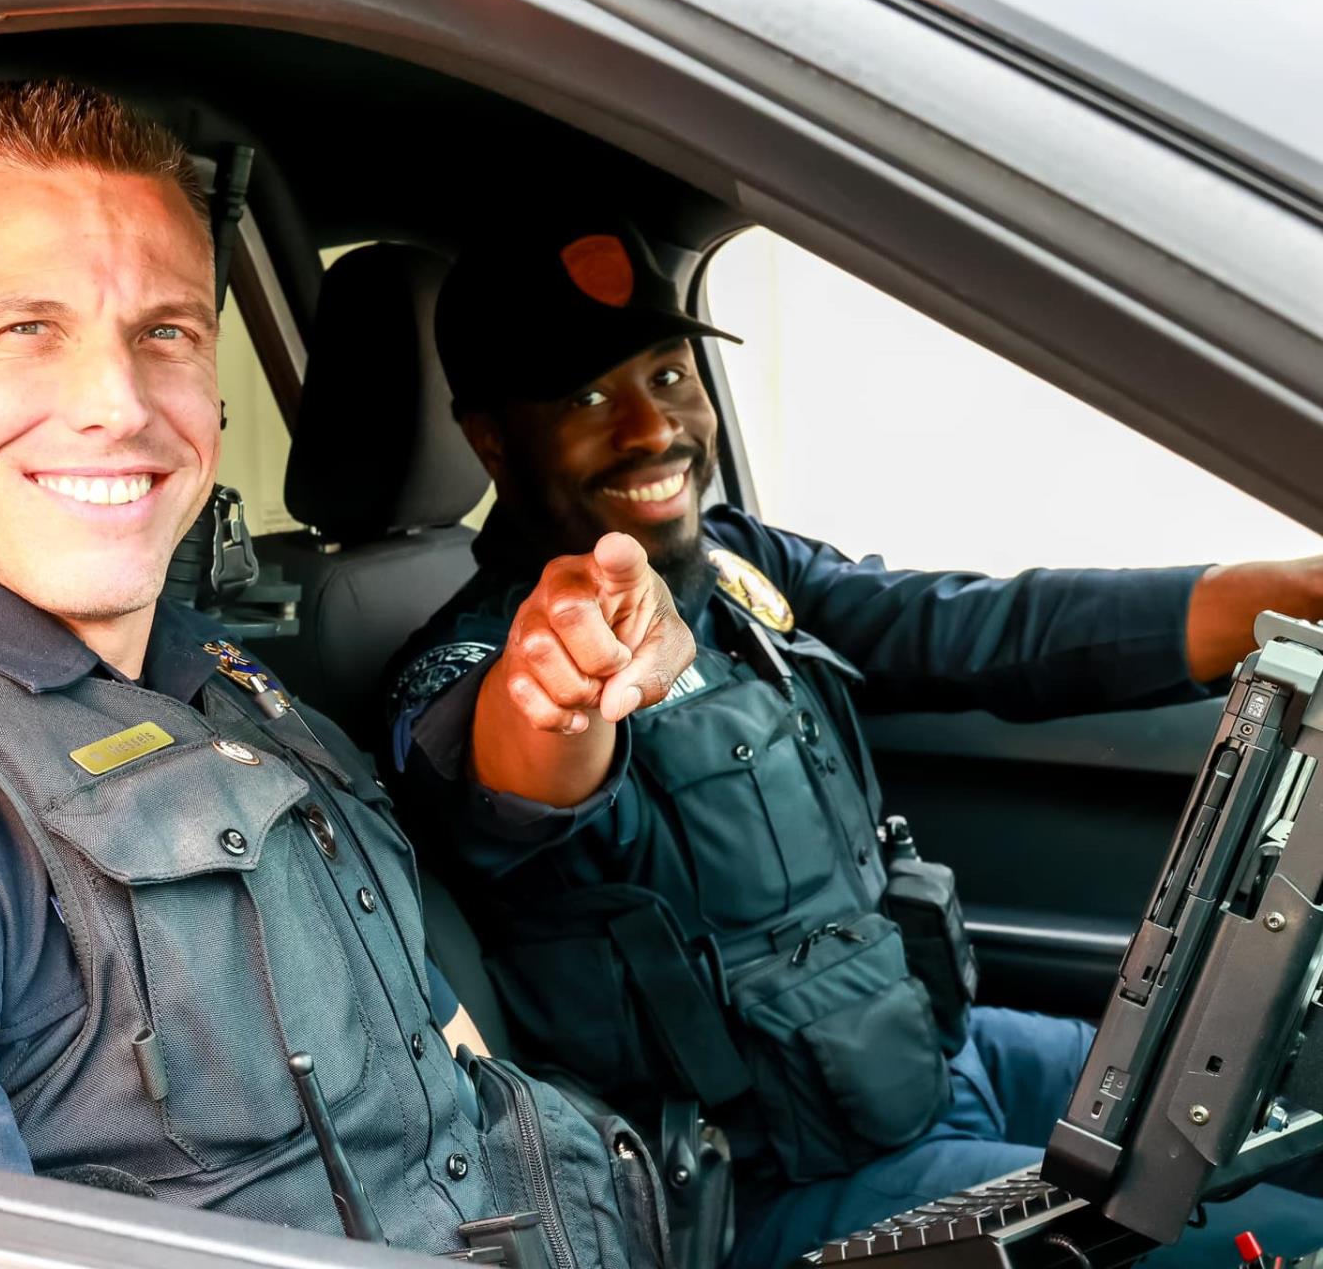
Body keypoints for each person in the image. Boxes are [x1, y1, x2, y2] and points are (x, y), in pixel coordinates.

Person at [0, 83, 672, 1267]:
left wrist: (557, 695)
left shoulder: (224, 681)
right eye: (28, 327)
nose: (118, 404)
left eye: (165, 332)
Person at [387, 216, 1323, 1266]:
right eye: (585, 398)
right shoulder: (470, 656)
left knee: (1287, 1087)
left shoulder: (741, 568)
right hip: (770, 1185)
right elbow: (510, 756)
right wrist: (560, 682)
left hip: (928, 1056)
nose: (654, 429)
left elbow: (978, 629)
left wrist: (1289, 596)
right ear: (491, 439)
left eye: (669, 374)